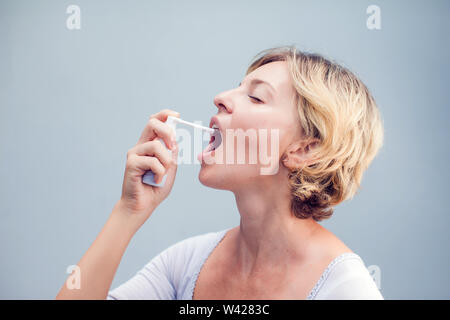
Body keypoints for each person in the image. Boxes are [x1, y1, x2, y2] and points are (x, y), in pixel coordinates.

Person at [56, 46, 384, 300]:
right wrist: (128, 212)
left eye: (256, 97)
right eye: (237, 88)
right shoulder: (186, 264)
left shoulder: (345, 288)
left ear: (304, 149)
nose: (221, 98)